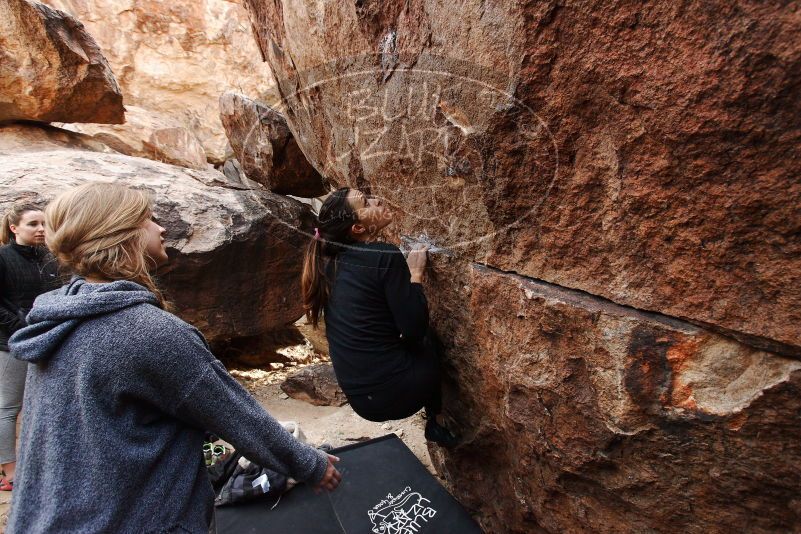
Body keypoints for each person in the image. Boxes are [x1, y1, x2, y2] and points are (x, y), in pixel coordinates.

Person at [7, 183, 340, 534]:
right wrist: (310, 465)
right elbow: (235, 413)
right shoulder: (146, 331)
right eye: (149, 219)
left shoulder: (58, 320)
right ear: (124, 234)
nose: (162, 228)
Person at [301, 187, 457, 447]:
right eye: (366, 202)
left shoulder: (327, 265)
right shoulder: (382, 255)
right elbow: (415, 329)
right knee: (428, 339)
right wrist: (415, 276)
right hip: (398, 396)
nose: (377, 200)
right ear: (358, 229)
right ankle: (437, 420)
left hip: (361, 401)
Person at [0, 203, 59, 492]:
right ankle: (8, 471)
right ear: (14, 228)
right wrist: (23, 330)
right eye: (33, 224)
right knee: (7, 407)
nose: (40, 230)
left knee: (43, 405)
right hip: (10, 344)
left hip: (47, 341)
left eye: (44, 224)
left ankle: (38, 464)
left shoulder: (49, 259)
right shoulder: (2, 258)